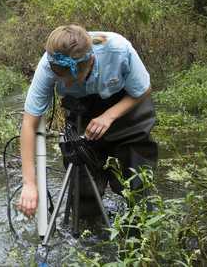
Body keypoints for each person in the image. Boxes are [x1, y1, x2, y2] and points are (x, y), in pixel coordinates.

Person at [16, 25, 158, 218]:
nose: (65, 85)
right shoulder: (48, 66)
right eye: (61, 79)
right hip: (82, 113)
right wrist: (29, 184)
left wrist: (109, 116)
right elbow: (28, 124)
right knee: (83, 195)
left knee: (137, 187)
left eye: (71, 81)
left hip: (127, 110)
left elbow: (143, 90)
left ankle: (140, 237)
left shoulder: (119, 50)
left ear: (90, 61)